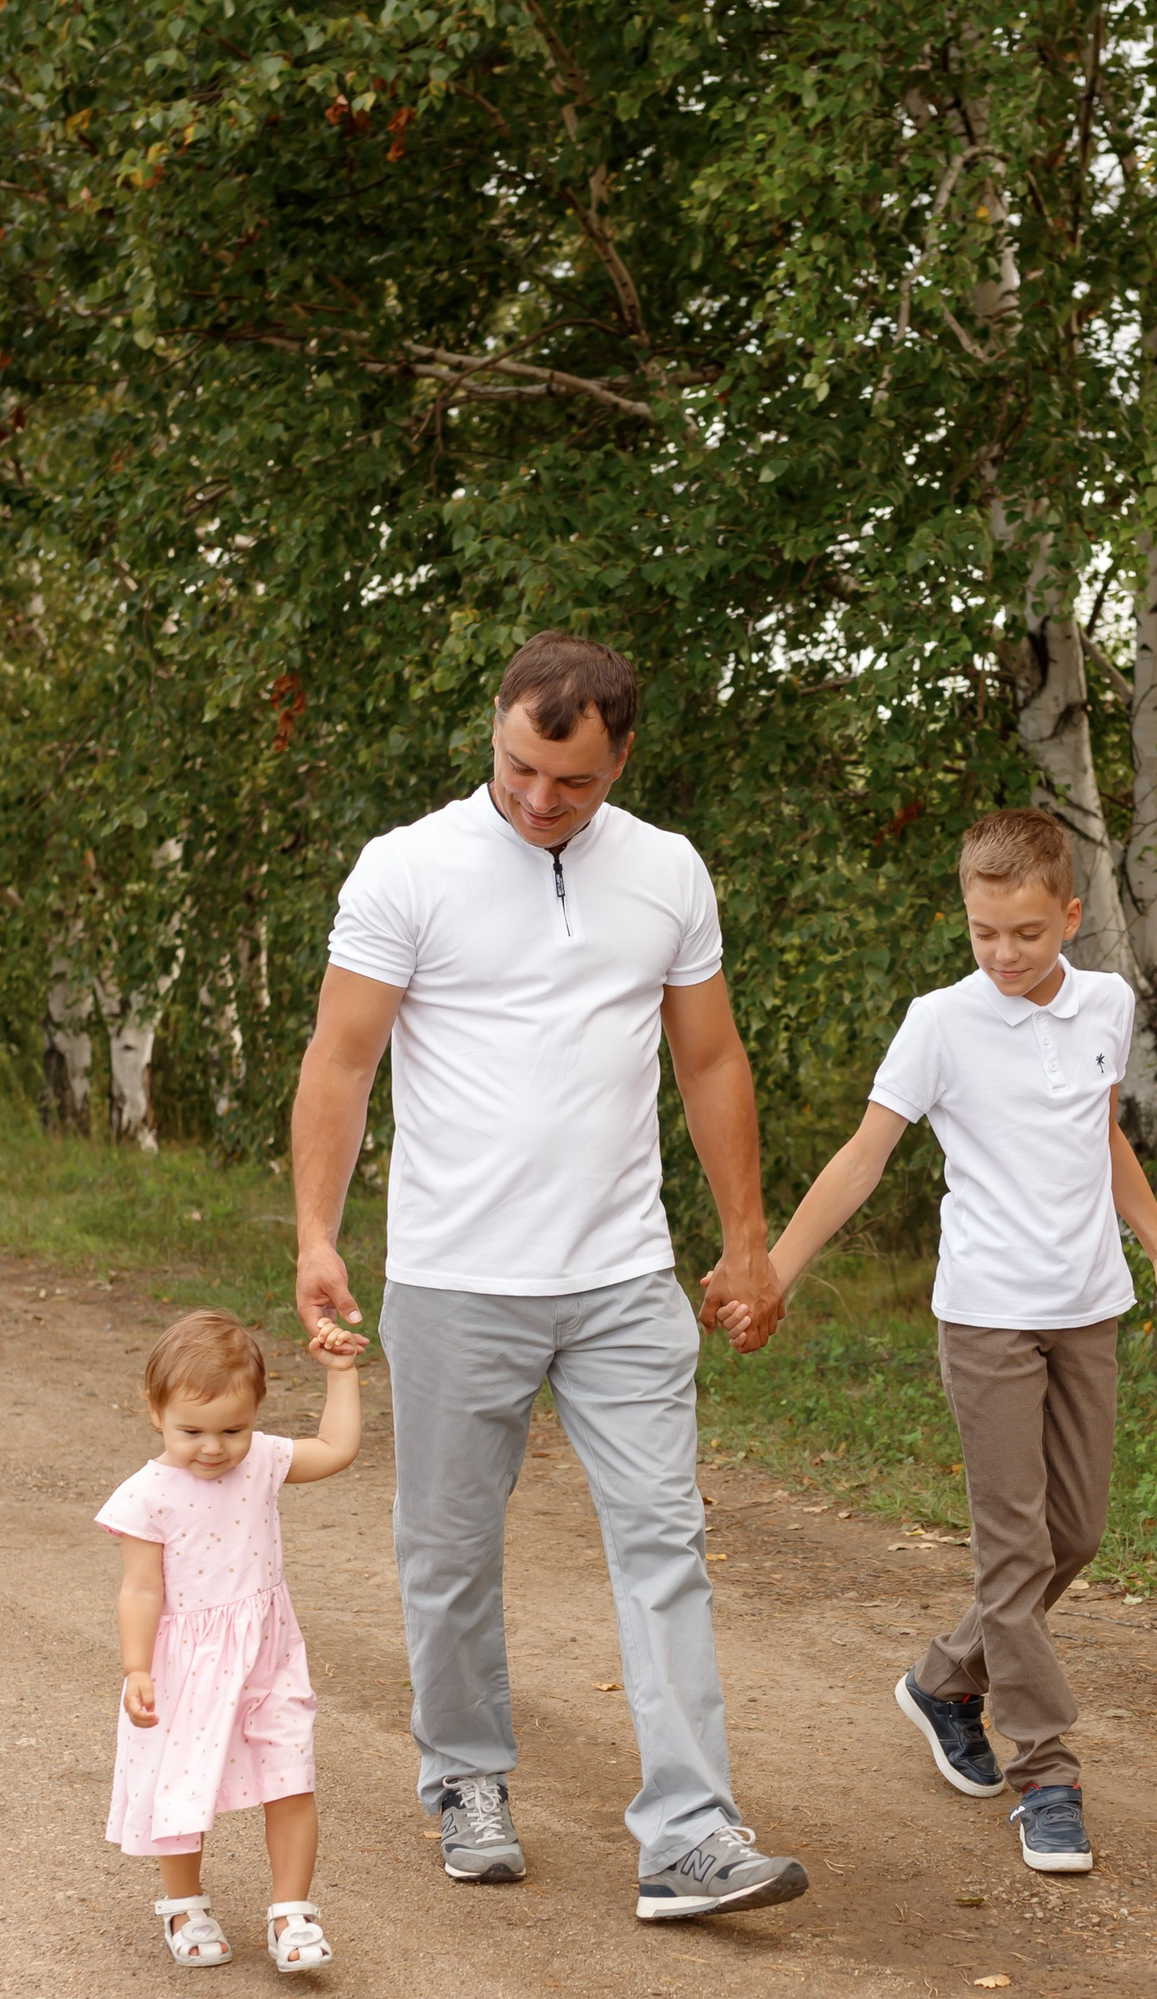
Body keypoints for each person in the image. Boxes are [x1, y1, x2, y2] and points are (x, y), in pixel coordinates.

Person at [291, 631, 807, 1923]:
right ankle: (465, 1778)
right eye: (520, 766)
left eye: (570, 782)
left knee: (664, 1544)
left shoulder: (668, 873)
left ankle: (690, 1833)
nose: (538, 799)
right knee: (450, 1552)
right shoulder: (407, 869)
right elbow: (342, 1062)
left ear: (621, 757)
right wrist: (317, 1232)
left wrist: (747, 1239)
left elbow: (711, 1062)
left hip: (624, 1275)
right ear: (500, 735)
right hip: (460, 1277)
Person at [729, 811, 1157, 1875]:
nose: (1002, 953)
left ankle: (945, 1678)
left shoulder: (1108, 1005)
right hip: (985, 1311)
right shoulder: (939, 1023)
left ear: (1071, 918)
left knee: (1073, 1535)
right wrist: (776, 1271)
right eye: (983, 931)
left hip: (1087, 1306)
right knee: (1014, 1550)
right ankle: (1047, 1774)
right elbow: (862, 1159)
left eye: (1027, 933)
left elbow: (1103, 1136)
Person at [100, 1308, 366, 1972]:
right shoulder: (147, 1494)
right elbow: (140, 1588)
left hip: (268, 1657)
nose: (214, 1448)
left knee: (291, 1776)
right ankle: (183, 1905)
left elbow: (335, 1449)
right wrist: (137, 1667)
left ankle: (291, 1911)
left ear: (256, 1414)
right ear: (154, 1410)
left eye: (234, 1429)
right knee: (183, 1787)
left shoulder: (265, 1461)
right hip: (187, 1666)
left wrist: (341, 1373)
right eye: (192, 1431)